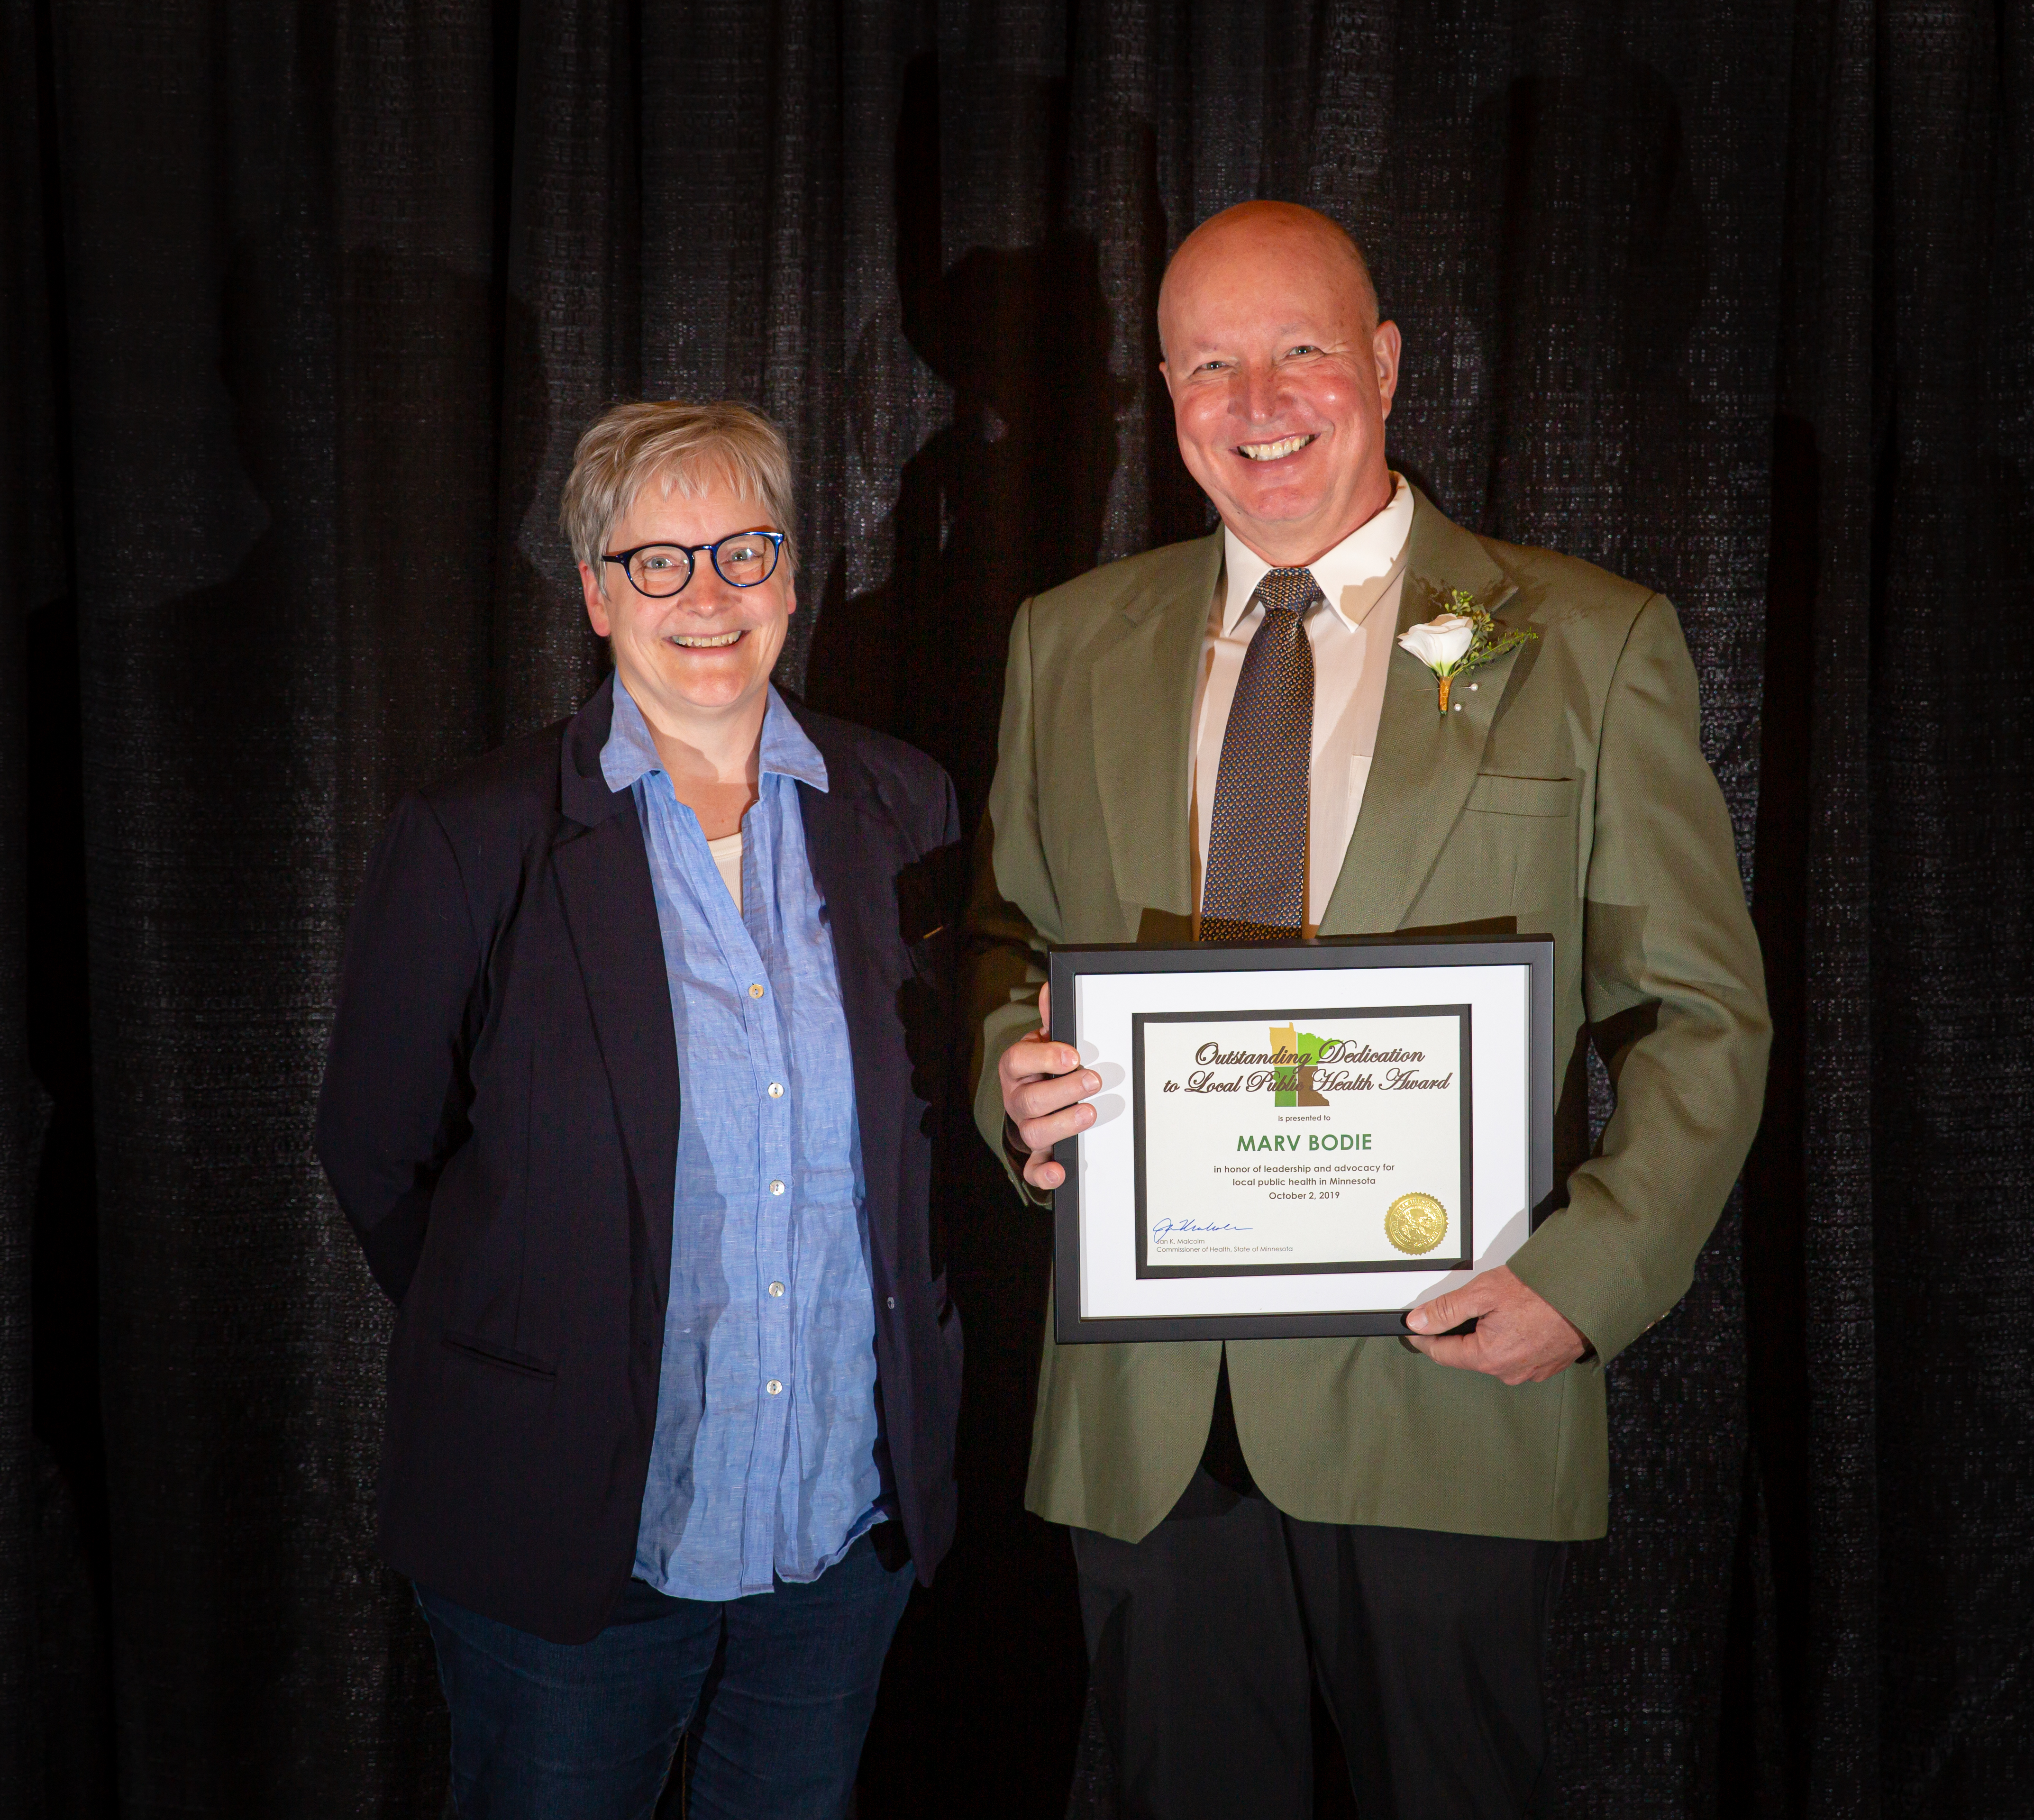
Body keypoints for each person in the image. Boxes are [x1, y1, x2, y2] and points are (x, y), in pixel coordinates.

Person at [971, 202, 1770, 1815]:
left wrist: (1591, 1277)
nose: (1258, 402)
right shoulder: (1068, 643)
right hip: (1153, 1416)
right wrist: (1014, 1073)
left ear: (1388, 364)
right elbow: (1008, 935)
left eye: (1301, 352)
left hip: (1446, 1384)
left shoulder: (1587, 642)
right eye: (1210, 365)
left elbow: (1701, 1013)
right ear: (1164, 392)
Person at [317, 400, 963, 1818]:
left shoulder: (906, 809)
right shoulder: (475, 835)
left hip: (835, 1544)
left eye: (743, 549)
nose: (709, 594)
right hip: (572, 1548)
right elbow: (376, 1150)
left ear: (795, 575)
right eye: (658, 562)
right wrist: (542, 1333)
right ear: (600, 596)